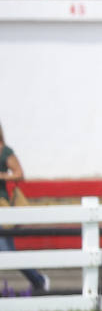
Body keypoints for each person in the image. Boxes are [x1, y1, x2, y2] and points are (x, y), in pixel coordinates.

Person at [0, 122, 47, 293]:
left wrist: (2, 175)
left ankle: (38, 280)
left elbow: (19, 174)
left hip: (1, 204)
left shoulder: (5, 151)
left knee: (7, 251)